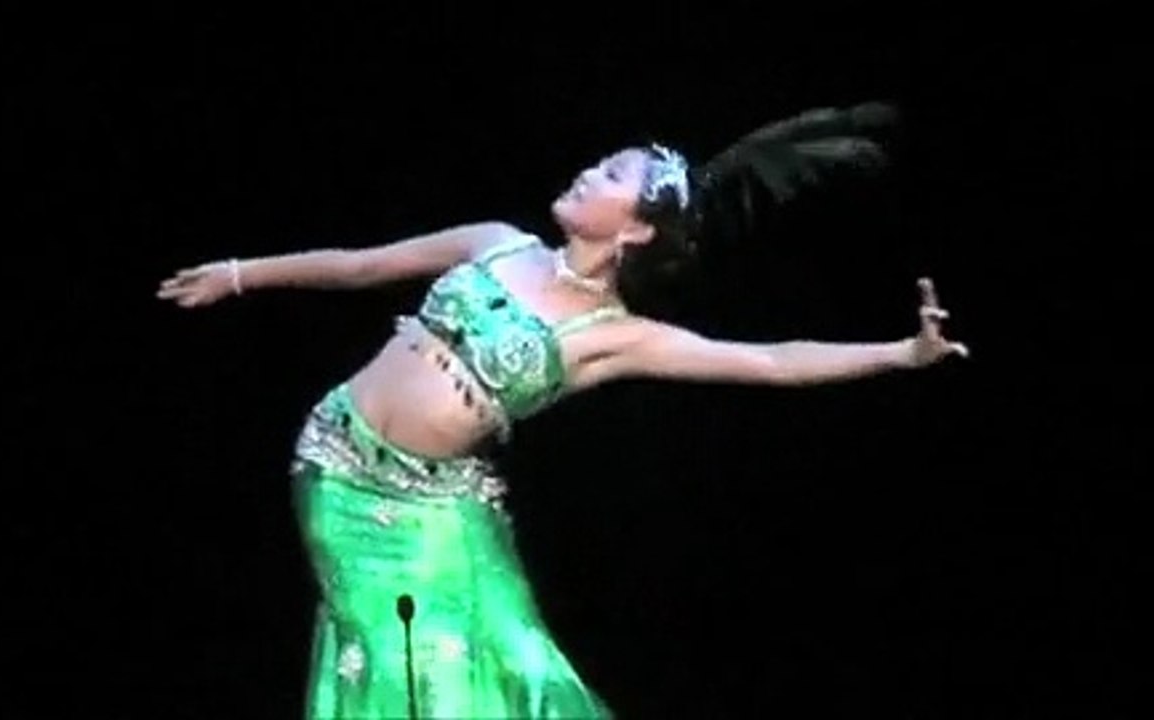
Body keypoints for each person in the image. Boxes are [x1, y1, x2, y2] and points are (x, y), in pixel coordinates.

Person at [157, 101, 968, 719]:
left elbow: (768, 362)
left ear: (637, 233)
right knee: (402, 661)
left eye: (611, 176)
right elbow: (362, 265)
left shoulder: (612, 335)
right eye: (601, 163)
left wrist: (902, 353)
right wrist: (239, 272)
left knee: (519, 666)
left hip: (444, 511)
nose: (589, 173)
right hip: (341, 474)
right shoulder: (495, 243)